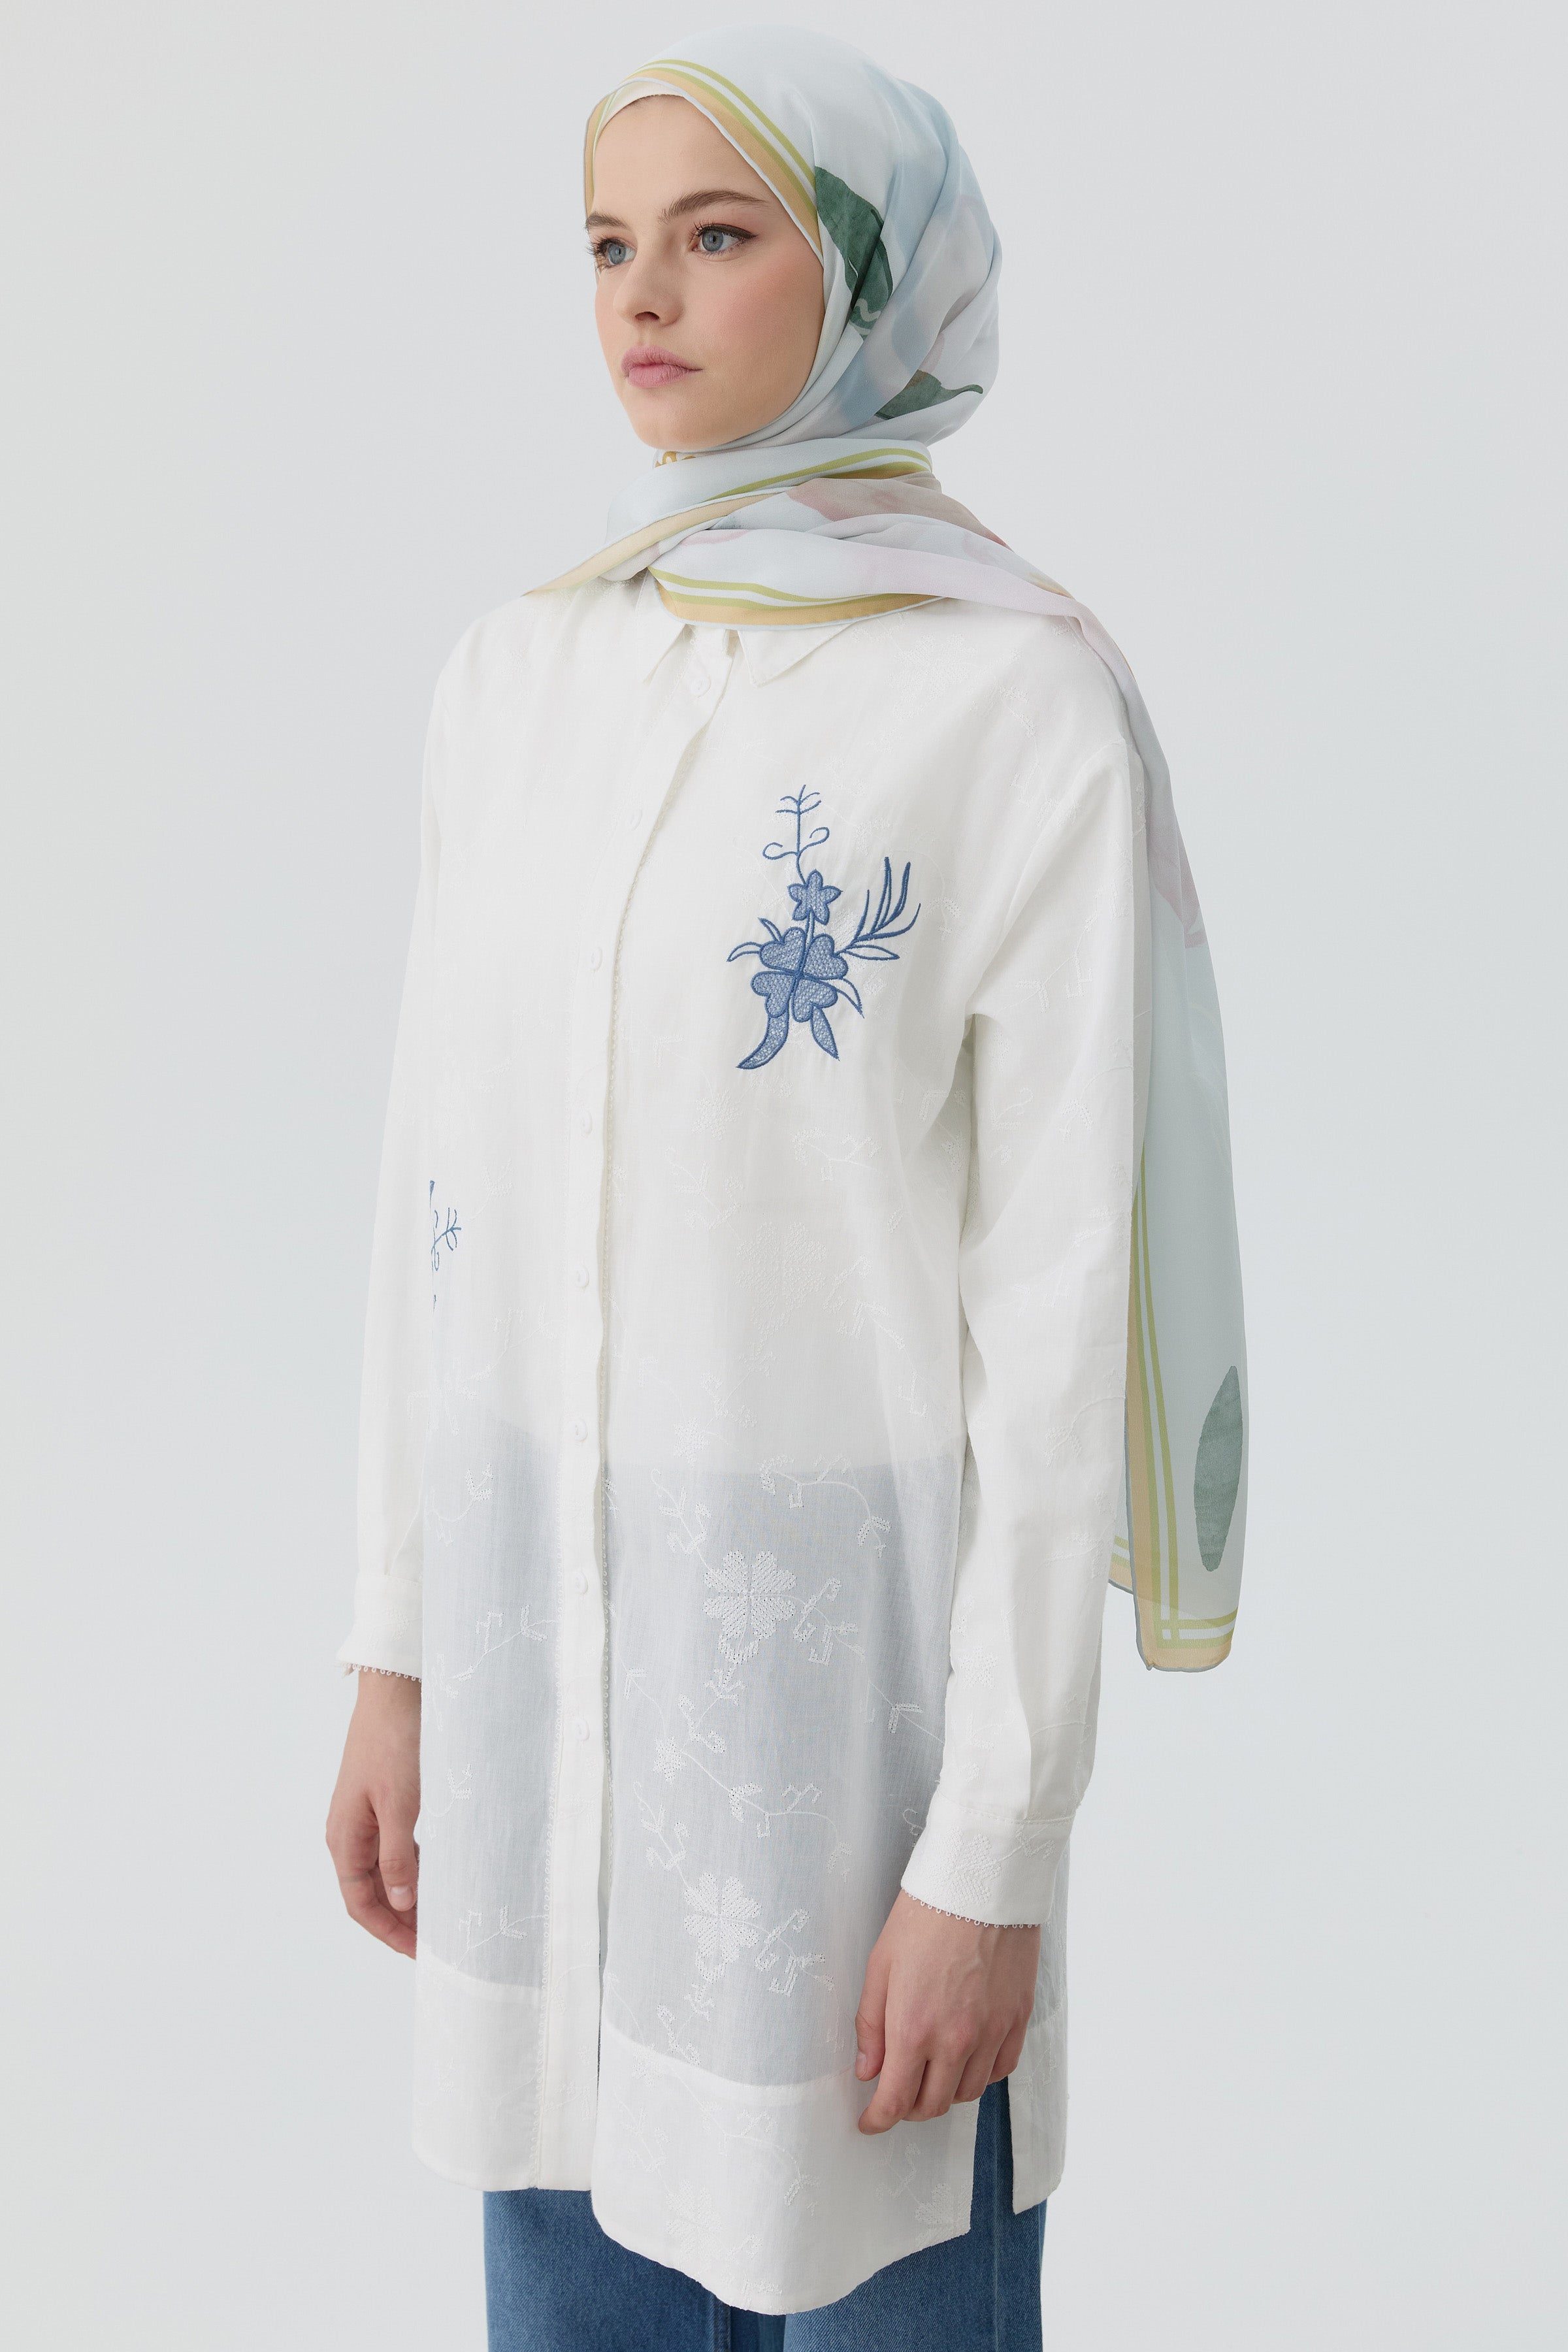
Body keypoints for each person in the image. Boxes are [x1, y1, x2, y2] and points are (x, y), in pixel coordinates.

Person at [325, 24, 1248, 2348]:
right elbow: (431, 1202)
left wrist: (994, 1852)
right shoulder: (516, 677)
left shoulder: (1009, 703)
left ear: (866, 277)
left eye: (718, 234)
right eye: (608, 245)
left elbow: (1058, 1314)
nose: (643, 295)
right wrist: (397, 1654)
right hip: (547, 1756)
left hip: (848, 1774)